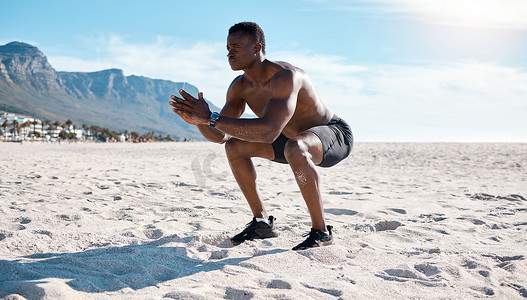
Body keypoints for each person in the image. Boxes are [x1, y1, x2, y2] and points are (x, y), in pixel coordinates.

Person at [169, 22, 353, 250]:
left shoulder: (286, 77)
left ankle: (321, 231)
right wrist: (199, 121)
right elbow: (221, 135)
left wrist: (211, 118)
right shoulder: (239, 87)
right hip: (289, 138)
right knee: (235, 147)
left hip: (332, 134)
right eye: (227, 47)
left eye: (235, 46)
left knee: (296, 147)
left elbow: (268, 132)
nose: (229, 52)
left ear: (257, 48)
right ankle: (262, 223)